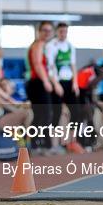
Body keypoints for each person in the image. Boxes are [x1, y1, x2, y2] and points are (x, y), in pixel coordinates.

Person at [25, 21, 63, 154]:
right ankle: (39, 145)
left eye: (49, 31)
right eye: (44, 30)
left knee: (42, 115)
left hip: (40, 82)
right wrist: (46, 81)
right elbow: (37, 64)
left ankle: (39, 144)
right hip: (37, 83)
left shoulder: (47, 46)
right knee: (44, 115)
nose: (47, 33)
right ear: (39, 32)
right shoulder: (38, 45)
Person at [46, 22, 84, 154]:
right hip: (57, 82)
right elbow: (50, 66)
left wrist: (75, 83)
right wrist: (55, 84)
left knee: (76, 112)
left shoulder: (70, 46)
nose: (63, 34)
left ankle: (72, 142)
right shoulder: (51, 46)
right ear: (57, 32)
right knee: (56, 114)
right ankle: (54, 145)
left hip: (69, 83)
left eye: (65, 32)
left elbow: (73, 65)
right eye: (61, 32)